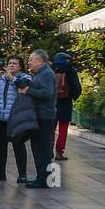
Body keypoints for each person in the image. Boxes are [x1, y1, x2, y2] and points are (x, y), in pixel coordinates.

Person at [0, 57, 28, 183]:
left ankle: (22, 174)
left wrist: (12, 78)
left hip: (16, 118)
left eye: (14, 63)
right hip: (1, 118)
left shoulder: (24, 78)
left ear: (20, 67)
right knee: (1, 145)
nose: (11, 65)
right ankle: (0, 173)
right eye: (9, 63)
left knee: (18, 144)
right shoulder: (1, 80)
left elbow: (24, 90)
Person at [24, 49, 58, 189]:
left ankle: (45, 179)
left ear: (39, 61)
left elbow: (47, 93)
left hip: (44, 116)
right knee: (38, 146)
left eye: (31, 60)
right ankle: (43, 176)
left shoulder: (46, 74)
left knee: (42, 147)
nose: (29, 62)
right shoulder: (40, 73)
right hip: (39, 115)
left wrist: (28, 91)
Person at [51, 52, 82, 162]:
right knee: (63, 128)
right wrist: (74, 96)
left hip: (52, 102)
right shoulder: (70, 69)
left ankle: (49, 150)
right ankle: (59, 152)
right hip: (66, 101)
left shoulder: (51, 69)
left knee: (51, 128)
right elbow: (76, 86)